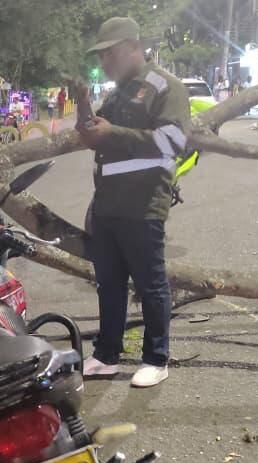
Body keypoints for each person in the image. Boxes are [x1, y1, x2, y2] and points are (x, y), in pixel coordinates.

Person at [75, 16, 190, 389]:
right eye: (101, 55)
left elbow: (173, 141)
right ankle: (106, 354)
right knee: (109, 284)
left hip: (143, 203)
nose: (104, 61)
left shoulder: (165, 86)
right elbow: (95, 137)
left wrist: (114, 132)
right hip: (108, 203)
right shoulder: (118, 93)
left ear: (132, 47)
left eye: (109, 53)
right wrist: (83, 107)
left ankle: (156, 358)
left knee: (150, 284)